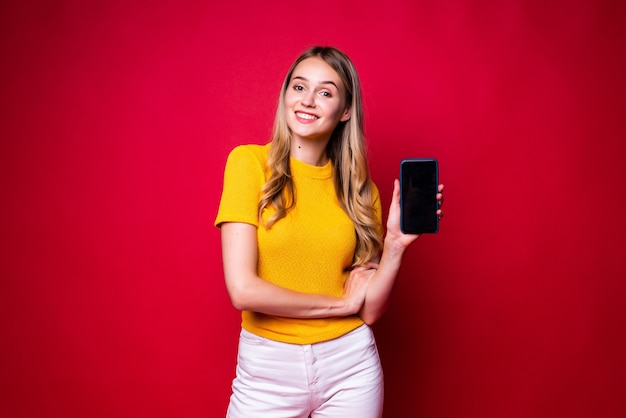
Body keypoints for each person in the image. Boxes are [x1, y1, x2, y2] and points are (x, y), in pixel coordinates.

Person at [215, 46, 444, 418]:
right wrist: (340, 305)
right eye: (299, 87)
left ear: (346, 110)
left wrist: (395, 245)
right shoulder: (248, 164)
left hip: (350, 365)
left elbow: (368, 311)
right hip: (267, 368)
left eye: (325, 92)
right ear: (285, 95)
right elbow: (242, 290)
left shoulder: (360, 191)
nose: (308, 101)